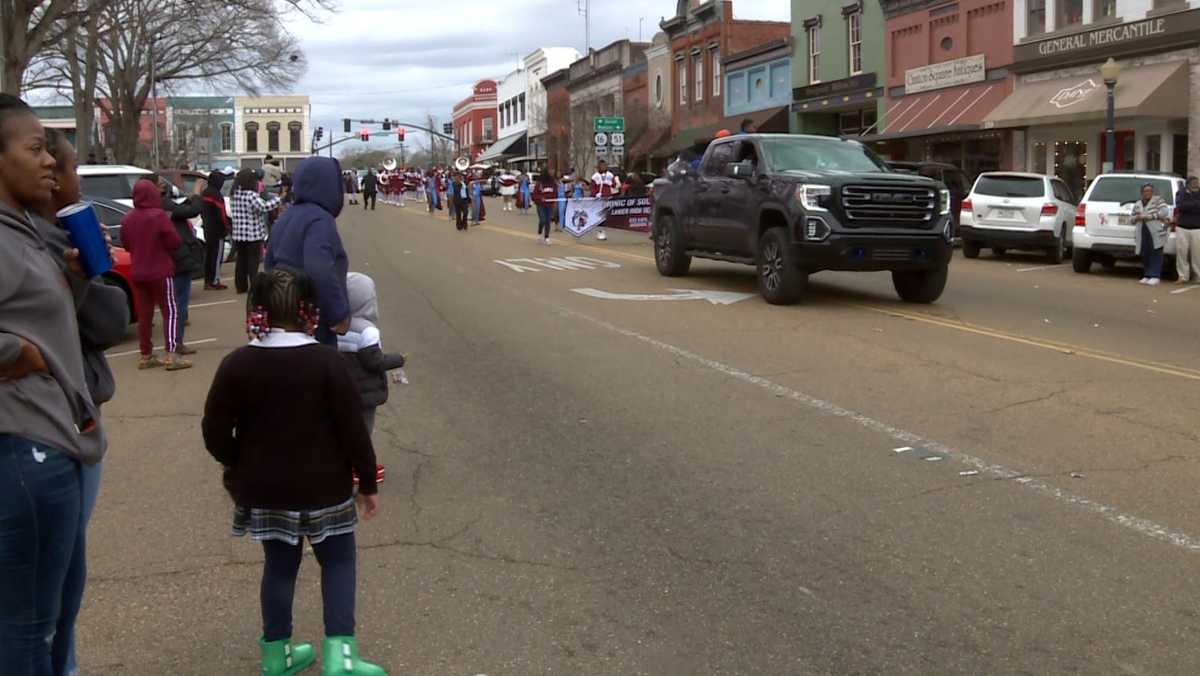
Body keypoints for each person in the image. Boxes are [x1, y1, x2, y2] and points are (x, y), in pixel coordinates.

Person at [201, 267, 385, 676]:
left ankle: (277, 654)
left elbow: (214, 431)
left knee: (280, 567)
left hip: (265, 489)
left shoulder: (238, 363)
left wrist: (238, 461)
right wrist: (367, 481)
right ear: (309, 312)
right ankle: (342, 656)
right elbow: (354, 430)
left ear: (257, 311)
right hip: (326, 485)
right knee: (338, 562)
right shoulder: (327, 362)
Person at [0, 93, 107, 676]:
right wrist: (20, 355)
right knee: (28, 629)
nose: (51, 161)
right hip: (24, 446)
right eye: (35, 148)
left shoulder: (22, 233)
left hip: (58, 442)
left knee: (56, 617)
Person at [36, 127, 128, 676]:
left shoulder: (54, 237)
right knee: (45, 599)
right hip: (50, 431)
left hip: (74, 418)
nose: (68, 176)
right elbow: (104, 320)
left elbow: (107, 319)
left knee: (65, 586)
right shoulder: (35, 243)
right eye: (66, 167)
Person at [265, 156, 351, 349]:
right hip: (314, 319)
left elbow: (269, 263)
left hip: (284, 317)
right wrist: (338, 313)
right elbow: (319, 269)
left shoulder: (287, 215)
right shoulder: (320, 220)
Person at [337, 272, 403, 484]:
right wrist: (397, 360)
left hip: (341, 388)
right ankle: (361, 469)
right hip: (365, 393)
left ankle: (341, 464)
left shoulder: (336, 325)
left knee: (342, 427)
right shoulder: (368, 330)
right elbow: (373, 361)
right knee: (364, 431)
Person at [120, 178, 192, 370]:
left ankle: (146, 354)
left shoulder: (127, 218)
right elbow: (174, 241)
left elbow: (126, 244)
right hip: (160, 270)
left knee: (145, 315)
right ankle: (172, 353)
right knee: (170, 310)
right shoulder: (158, 216)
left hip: (138, 272)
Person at [160, 177, 204, 355]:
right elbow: (190, 211)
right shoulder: (163, 208)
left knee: (167, 306)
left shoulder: (150, 209)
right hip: (178, 261)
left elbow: (180, 210)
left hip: (166, 263)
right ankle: (176, 343)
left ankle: (150, 351)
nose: (165, 186)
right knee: (178, 304)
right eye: (160, 184)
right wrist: (196, 193)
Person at [231, 168, 282, 294]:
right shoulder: (250, 195)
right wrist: (279, 199)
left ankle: (240, 286)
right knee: (253, 262)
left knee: (241, 261)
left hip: (238, 234)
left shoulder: (234, 194)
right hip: (253, 234)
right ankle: (254, 286)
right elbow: (264, 207)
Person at [1132, 182, 1171, 286]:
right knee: (1145, 253)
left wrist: (1149, 216)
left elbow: (1164, 212)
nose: (1148, 193)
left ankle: (1155, 276)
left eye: (1150, 191)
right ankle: (1147, 275)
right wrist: (1136, 217)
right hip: (1142, 231)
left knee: (1156, 252)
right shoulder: (1138, 203)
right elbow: (1131, 218)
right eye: (1145, 191)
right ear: (1142, 192)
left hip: (1156, 231)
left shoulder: (1158, 200)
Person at [199, 170, 230, 290]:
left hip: (207, 227)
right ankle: (214, 281)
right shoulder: (216, 195)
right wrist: (227, 226)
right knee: (216, 256)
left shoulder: (205, 193)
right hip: (217, 230)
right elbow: (221, 214)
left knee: (209, 255)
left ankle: (207, 281)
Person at [1174, 176, 1200, 284]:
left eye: (1197, 182)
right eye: (1194, 182)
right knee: (1181, 253)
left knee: (1197, 254)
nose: (1196, 184)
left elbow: (1187, 206)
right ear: (1188, 183)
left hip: (1197, 228)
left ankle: (1198, 276)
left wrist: (1190, 204)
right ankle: (1183, 276)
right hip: (1182, 227)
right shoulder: (1181, 192)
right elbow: (1181, 206)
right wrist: (1195, 204)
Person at [591, 159, 621, 241]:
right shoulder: (595, 176)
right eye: (601, 166)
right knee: (599, 215)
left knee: (605, 215)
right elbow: (592, 188)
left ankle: (603, 231)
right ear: (598, 167)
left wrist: (616, 182)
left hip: (607, 198)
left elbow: (614, 185)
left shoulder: (610, 175)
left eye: (605, 166)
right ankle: (600, 231)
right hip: (599, 199)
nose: (603, 167)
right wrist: (595, 194)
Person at [533, 171, 557, 245]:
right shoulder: (539, 184)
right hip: (540, 205)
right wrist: (541, 198)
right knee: (542, 220)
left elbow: (555, 193)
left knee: (548, 221)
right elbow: (534, 195)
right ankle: (539, 234)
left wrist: (553, 200)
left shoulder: (553, 184)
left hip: (549, 205)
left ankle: (547, 237)